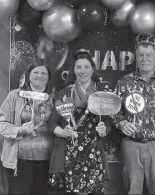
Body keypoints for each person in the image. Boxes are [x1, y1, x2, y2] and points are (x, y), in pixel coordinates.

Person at [113, 32, 155, 194]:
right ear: (136, 57)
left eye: (149, 55)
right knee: (132, 191)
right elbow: (113, 111)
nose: (145, 59)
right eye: (141, 55)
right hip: (131, 145)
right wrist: (121, 123)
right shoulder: (124, 83)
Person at [48, 50, 111, 195]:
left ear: (93, 69)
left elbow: (108, 124)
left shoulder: (101, 93)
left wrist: (104, 129)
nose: (82, 71)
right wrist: (62, 132)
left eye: (86, 67)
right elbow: (51, 123)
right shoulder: (64, 93)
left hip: (93, 151)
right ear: (74, 70)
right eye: (78, 67)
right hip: (70, 150)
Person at [0, 58, 53, 195]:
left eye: (43, 73)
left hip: (46, 162)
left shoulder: (52, 99)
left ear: (48, 78)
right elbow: (1, 125)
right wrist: (19, 130)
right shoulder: (14, 96)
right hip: (19, 161)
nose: (39, 76)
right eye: (36, 72)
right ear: (28, 75)